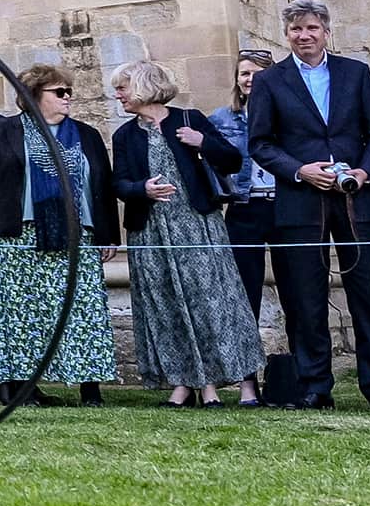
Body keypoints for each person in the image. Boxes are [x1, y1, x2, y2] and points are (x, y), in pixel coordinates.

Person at [246, 0, 370, 410]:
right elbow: (261, 144)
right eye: (295, 30)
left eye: (311, 28)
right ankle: (314, 386)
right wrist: (300, 170)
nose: (304, 36)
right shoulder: (270, 81)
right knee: (306, 297)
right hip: (301, 203)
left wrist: (364, 173)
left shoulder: (354, 73)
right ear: (286, 34)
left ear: (326, 31)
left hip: (355, 201)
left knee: (367, 293)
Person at [109, 59, 264, 408]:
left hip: (198, 225)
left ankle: (243, 381)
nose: (117, 95)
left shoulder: (189, 119)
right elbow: (118, 183)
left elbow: (233, 161)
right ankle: (183, 382)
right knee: (166, 307)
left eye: (122, 87)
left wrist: (202, 142)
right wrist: (141, 188)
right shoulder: (125, 135)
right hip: (151, 233)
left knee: (217, 303)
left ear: (142, 86)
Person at [0, 63, 117, 405]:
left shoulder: (87, 134)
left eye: (69, 92)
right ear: (34, 96)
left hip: (75, 235)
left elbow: (102, 187)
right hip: (20, 235)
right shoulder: (2, 132)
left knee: (82, 309)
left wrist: (107, 233)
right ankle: (23, 387)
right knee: (22, 311)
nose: (68, 98)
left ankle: (89, 387)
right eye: (59, 92)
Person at [204, 48, 282, 402]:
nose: (250, 79)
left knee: (298, 295)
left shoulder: (290, 115)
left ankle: (294, 382)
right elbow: (210, 162)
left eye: (258, 72)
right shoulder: (222, 118)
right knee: (242, 299)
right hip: (244, 209)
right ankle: (246, 382)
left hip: (285, 207)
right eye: (244, 73)